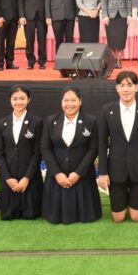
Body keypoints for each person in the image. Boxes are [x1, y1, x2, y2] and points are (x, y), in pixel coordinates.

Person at [98, 71, 138, 222]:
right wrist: (103, 173)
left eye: (129, 85)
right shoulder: (107, 111)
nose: (126, 89)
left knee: (136, 217)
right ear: (117, 88)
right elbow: (102, 144)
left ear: (137, 87)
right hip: (116, 171)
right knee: (118, 218)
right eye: (122, 85)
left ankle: (135, 202)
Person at [41, 87, 102, 224]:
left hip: (83, 178)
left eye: (73, 100)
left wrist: (78, 173)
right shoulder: (51, 121)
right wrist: (57, 173)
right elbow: (45, 148)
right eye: (66, 100)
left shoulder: (91, 121)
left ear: (80, 101)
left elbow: (93, 149)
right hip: (57, 177)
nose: (70, 104)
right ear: (61, 102)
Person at [0, 85, 42, 220]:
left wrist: (26, 178)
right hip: (9, 177)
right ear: (10, 100)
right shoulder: (2, 123)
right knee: (8, 215)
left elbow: (38, 153)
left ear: (29, 100)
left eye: (22, 98)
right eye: (15, 98)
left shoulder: (37, 122)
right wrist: (7, 178)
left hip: (29, 178)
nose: (18, 102)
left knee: (30, 215)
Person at [17, 0, 48, 70]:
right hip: (28, 16)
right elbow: (20, 0)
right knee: (29, 40)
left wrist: (48, 16)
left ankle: (42, 61)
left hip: (42, 16)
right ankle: (30, 61)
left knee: (42, 40)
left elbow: (47, 0)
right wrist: (21, 15)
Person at [101, 0, 132, 69]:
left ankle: (119, 60)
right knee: (112, 40)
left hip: (122, 16)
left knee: (121, 39)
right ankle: (113, 60)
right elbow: (104, 1)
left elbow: (128, 0)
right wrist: (105, 15)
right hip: (110, 16)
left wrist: (129, 14)